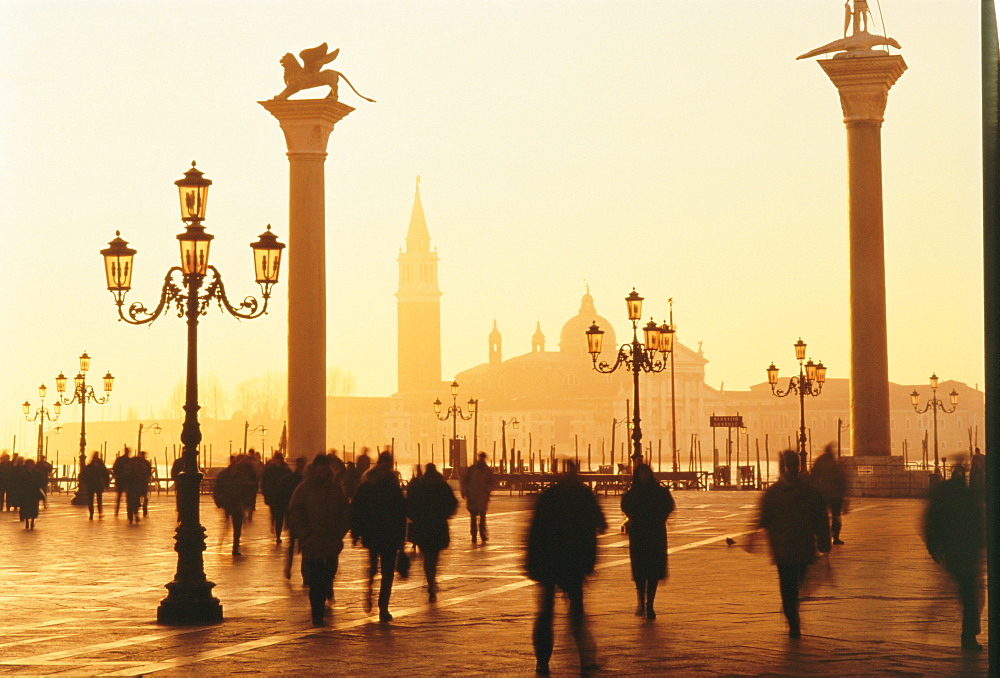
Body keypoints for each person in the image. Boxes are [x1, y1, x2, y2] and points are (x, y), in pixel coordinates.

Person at [525, 460, 606, 675]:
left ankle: (542, 660)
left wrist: (532, 563)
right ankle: (585, 661)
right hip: (573, 562)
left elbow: (534, 530)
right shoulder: (584, 495)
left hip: (550, 562)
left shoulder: (549, 496)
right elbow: (601, 523)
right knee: (576, 613)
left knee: (546, 614)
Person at [758, 449, 832, 639]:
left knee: (796, 583)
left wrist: (824, 541)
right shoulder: (777, 493)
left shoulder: (806, 491)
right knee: (788, 585)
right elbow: (764, 518)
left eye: (794, 465)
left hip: (801, 546)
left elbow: (820, 518)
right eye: (789, 465)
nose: (792, 468)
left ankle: (792, 607)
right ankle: (793, 619)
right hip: (785, 548)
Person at [924, 464, 985, 651]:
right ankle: (969, 635)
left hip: (952, 551)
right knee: (971, 595)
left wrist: (933, 547)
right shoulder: (968, 495)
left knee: (968, 593)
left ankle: (969, 633)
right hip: (967, 552)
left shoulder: (943, 497)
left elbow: (931, 521)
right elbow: (978, 522)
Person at [287, 453, 351, 625]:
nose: (322, 471)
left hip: (331, 541)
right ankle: (317, 611)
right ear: (315, 469)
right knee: (315, 578)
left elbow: (345, 513)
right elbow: (294, 512)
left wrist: (339, 533)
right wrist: (304, 534)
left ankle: (321, 601)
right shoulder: (303, 489)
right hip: (312, 541)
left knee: (328, 574)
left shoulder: (335, 490)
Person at [351, 451, 407, 622]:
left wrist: (402, 538)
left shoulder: (392, 485)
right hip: (373, 532)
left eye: (388, 464)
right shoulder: (368, 484)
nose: (386, 467)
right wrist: (356, 532)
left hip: (389, 535)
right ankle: (369, 590)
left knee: (388, 572)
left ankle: (383, 607)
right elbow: (357, 509)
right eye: (384, 463)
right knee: (374, 568)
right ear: (379, 463)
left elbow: (401, 511)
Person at [620, 462, 675, 619]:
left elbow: (668, 506)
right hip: (639, 534)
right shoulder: (634, 492)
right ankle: (641, 601)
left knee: (653, 571)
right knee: (640, 571)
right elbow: (625, 506)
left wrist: (659, 518)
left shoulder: (658, 491)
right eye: (641, 474)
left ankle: (649, 604)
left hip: (655, 533)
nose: (643, 477)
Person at [406, 462, 458, 602]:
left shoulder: (419, 486)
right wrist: (444, 515)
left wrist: (415, 517)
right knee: (433, 556)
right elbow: (453, 503)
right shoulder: (442, 485)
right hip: (438, 525)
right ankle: (432, 579)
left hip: (422, 525)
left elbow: (409, 504)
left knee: (426, 555)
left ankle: (430, 579)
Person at [213, 455, 257, 555]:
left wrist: (246, 503)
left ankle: (235, 548)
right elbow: (217, 489)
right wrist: (219, 502)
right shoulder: (223, 475)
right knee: (228, 525)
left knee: (237, 528)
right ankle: (229, 544)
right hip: (227, 503)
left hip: (238, 504)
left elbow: (245, 490)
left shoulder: (240, 476)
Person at [808, 443, 848, 544]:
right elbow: (841, 479)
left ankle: (821, 535)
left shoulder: (820, 461)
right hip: (835, 496)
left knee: (822, 516)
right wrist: (844, 495)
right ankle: (835, 537)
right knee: (836, 516)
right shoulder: (834, 463)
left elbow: (812, 476)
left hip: (823, 494)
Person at [461, 452, 494, 543]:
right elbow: (465, 481)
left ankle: (480, 534)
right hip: (474, 496)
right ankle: (476, 535)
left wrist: (487, 491)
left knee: (479, 517)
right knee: (476, 517)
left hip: (479, 496)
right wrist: (464, 491)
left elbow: (491, 483)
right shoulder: (483, 470)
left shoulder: (483, 470)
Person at [261, 452, 293, 544]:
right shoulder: (285, 470)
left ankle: (278, 534)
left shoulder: (273, 470)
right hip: (277, 497)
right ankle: (277, 532)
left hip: (280, 498)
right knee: (278, 515)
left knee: (279, 516)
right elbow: (265, 484)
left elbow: (264, 484)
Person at [14, 458, 46, 529]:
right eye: (32, 464)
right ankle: (27, 521)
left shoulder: (36, 474)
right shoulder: (23, 473)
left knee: (34, 508)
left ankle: (32, 521)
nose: (33, 465)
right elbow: (19, 483)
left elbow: (40, 483)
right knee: (26, 508)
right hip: (25, 494)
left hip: (34, 494)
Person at [80, 451, 111, 519]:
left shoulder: (90, 465)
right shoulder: (100, 465)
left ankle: (94, 513)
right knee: (97, 500)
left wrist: (85, 482)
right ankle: (95, 513)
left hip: (92, 484)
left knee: (92, 500)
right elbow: (105, 474)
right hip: (96, 484)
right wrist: (106, 483)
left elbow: (84, 474)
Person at [111, 447, 132, 518]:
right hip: (127, 481)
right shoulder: (129, 461)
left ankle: (116, 512)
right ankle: (129, 513)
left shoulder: (119, 459)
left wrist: (117, 476)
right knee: (128, 498)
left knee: (119, 497)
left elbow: (114, 468)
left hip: (120, 480)